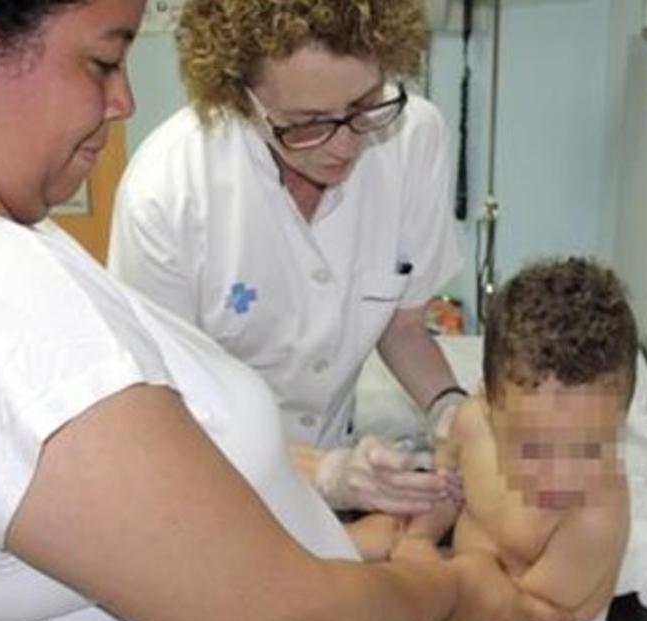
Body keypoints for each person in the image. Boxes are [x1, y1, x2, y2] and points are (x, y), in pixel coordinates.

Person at [0, 2, 573, 621]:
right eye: (103, 60)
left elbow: (140, 515)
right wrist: (450, 586)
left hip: (298, 559)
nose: (123, 100)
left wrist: (372, 526)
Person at [107, 0, 467, 516]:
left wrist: (450, 408)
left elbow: (403, 325)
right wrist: (322, 472)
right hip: (210, 483)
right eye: (308, 123)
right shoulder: (167, 194)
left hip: (340, 469)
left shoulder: (413, 138)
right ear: (242, 97)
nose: (344, 145)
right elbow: (161, 415)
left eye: (364, 104)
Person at [382, 257, 639, 621]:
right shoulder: (469, 424)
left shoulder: (597, 516)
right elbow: (446, 493)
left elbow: (510, 620)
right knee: (368, 562)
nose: (560, 474)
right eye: (535, 448)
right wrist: (420, 538)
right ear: (489, 406)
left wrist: (433, 588)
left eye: (589, 448)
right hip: (465, 588)